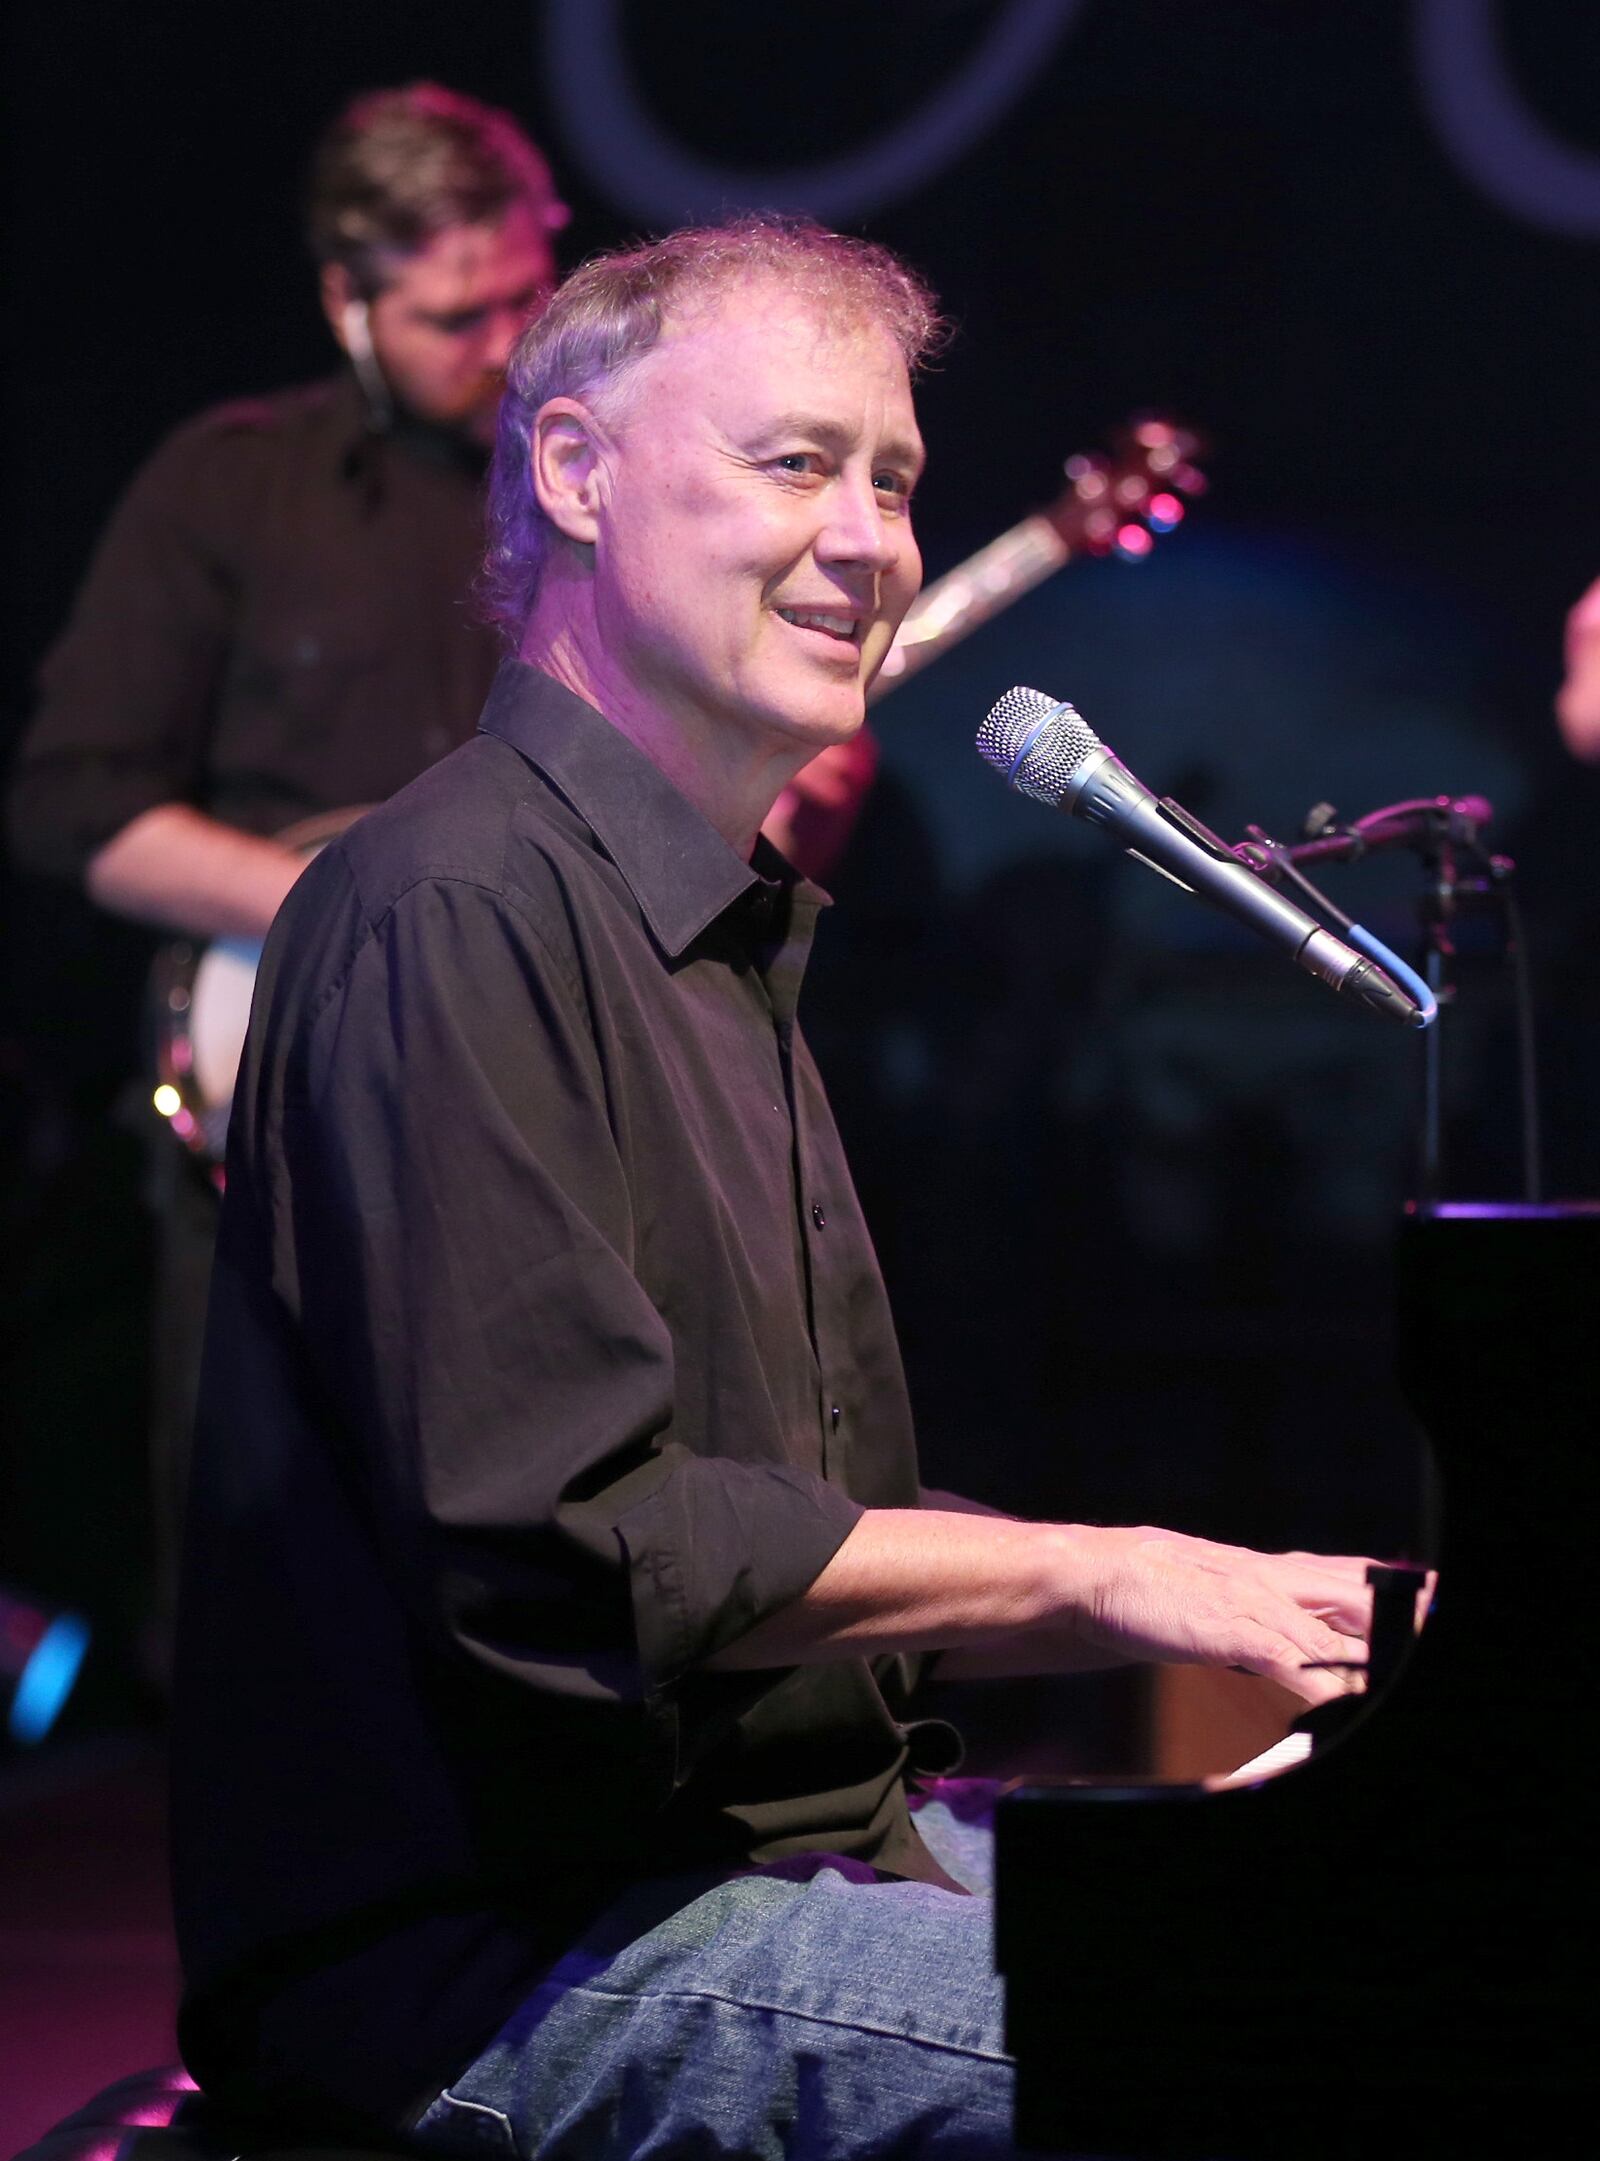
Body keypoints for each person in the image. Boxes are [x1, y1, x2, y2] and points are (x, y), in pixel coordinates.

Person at [171, 217, 1382, 2158]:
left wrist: (1222, 1598)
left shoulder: (709, 935)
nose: (870, 539)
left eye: (892, 477)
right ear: (572, 471)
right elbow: (573, 1547)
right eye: (795, 462)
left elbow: (791, 1538)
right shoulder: (457, 902)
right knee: (1305, 2045)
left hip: (752, 1879)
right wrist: (1101, 1565)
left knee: (1403, 1957)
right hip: (504, 1959)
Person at [5, 82, 567, 1614]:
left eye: (531, 294)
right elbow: (71, 802)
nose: (509, 344)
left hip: (538, 1113)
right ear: (347, 296)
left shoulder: (595, 488)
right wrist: (346, 900)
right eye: (461, 314)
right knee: (270, 1599)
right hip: (265, 1123)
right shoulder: (230, 483)